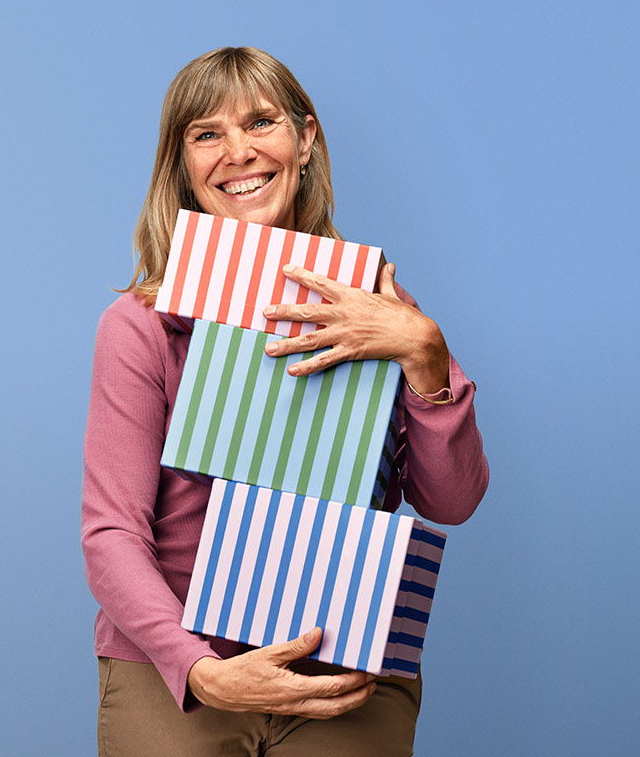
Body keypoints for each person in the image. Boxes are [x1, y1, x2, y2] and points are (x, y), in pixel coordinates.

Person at [81, 46, 489, 757]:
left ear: (305, 139)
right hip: (174, 668)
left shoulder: (384, 310)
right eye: (206, 133)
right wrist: (199, 668)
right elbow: (112, 533)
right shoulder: (141, 325)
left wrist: (424, 353)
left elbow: (450, 501)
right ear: (181, 164)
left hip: (346, 664)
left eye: (261, 122)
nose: (238, 152)